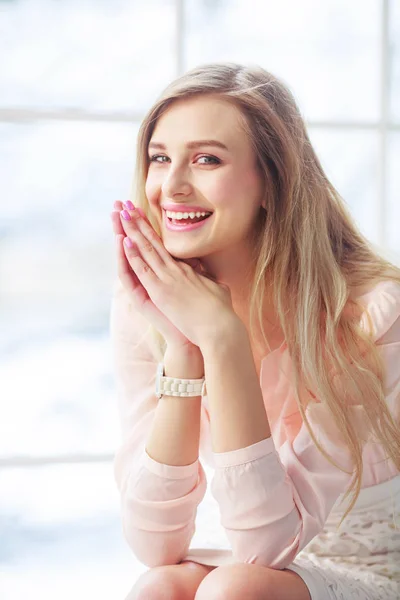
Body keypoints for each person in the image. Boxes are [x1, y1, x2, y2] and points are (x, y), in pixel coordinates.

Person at [109, 63, 400, 600]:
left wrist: (223, 341)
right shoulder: (146, 309)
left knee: (236, 590)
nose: (171, 186)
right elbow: (156, 544)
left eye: (206, 159)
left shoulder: (370, 311)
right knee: (159, 585)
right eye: (159, 158)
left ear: (272, 182)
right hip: (239, 565)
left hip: (368, 570)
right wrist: (183, 348)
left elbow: (267, 549)